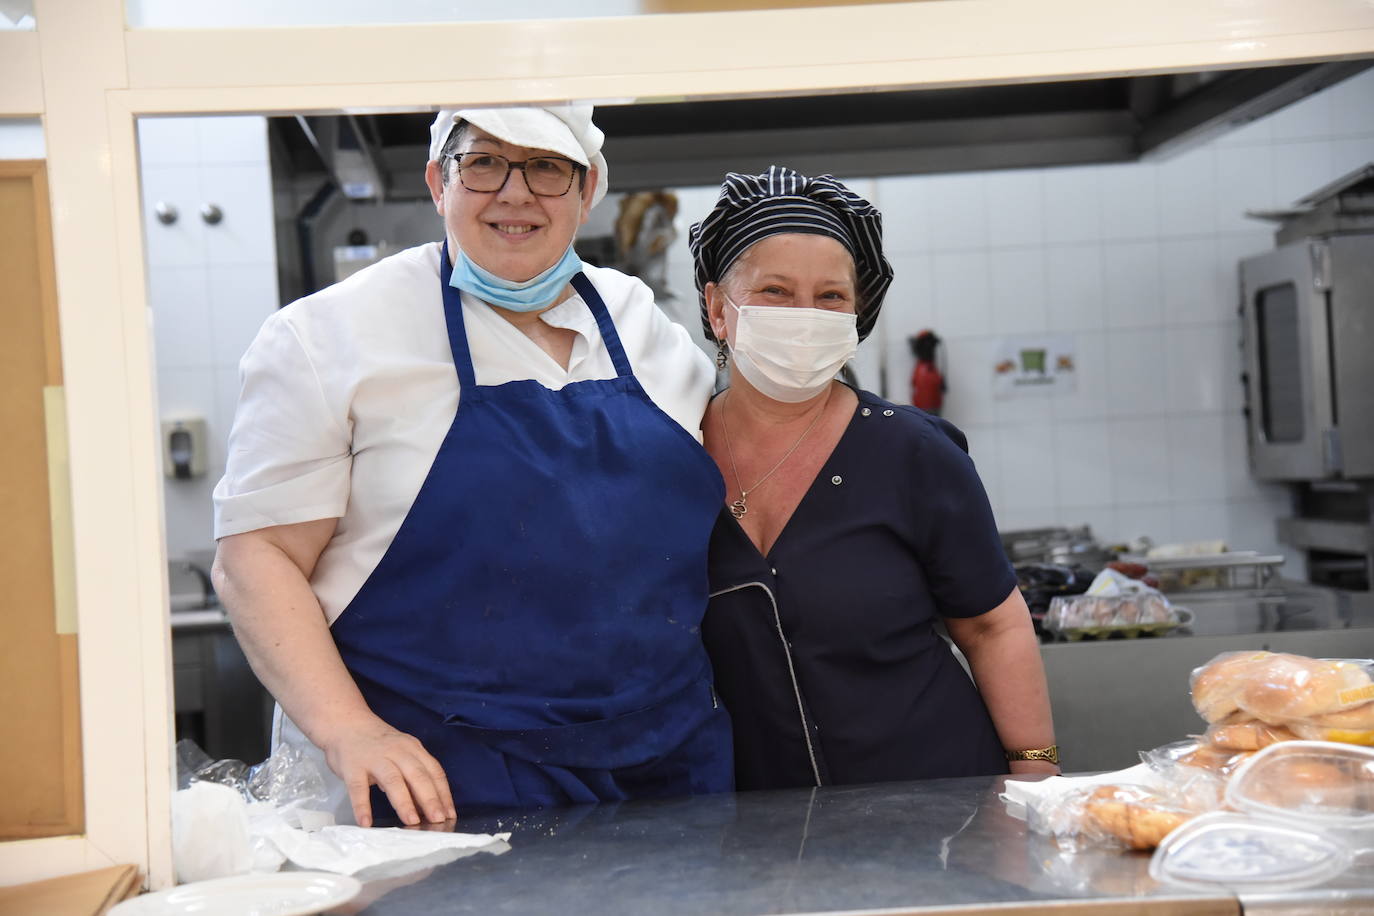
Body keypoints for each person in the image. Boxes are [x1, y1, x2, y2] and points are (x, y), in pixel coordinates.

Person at [211, 105, 732, 828]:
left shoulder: (644, 325)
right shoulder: (326, 336)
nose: (514, 193)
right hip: (440, 784)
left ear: (587, 193)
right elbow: (256, 557)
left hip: (664, 769)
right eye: (483, 162)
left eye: (547, 167)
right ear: (437, 181)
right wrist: (349, 729)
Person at [687, 166, 1057, 791]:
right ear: (719, 308)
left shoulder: (911, 452)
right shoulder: (672, 455)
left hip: (936, 806)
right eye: (775, 291)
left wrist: (1035, 779)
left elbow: (994, 626)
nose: (805, 315)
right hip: (755, 830)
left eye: (831, 296)